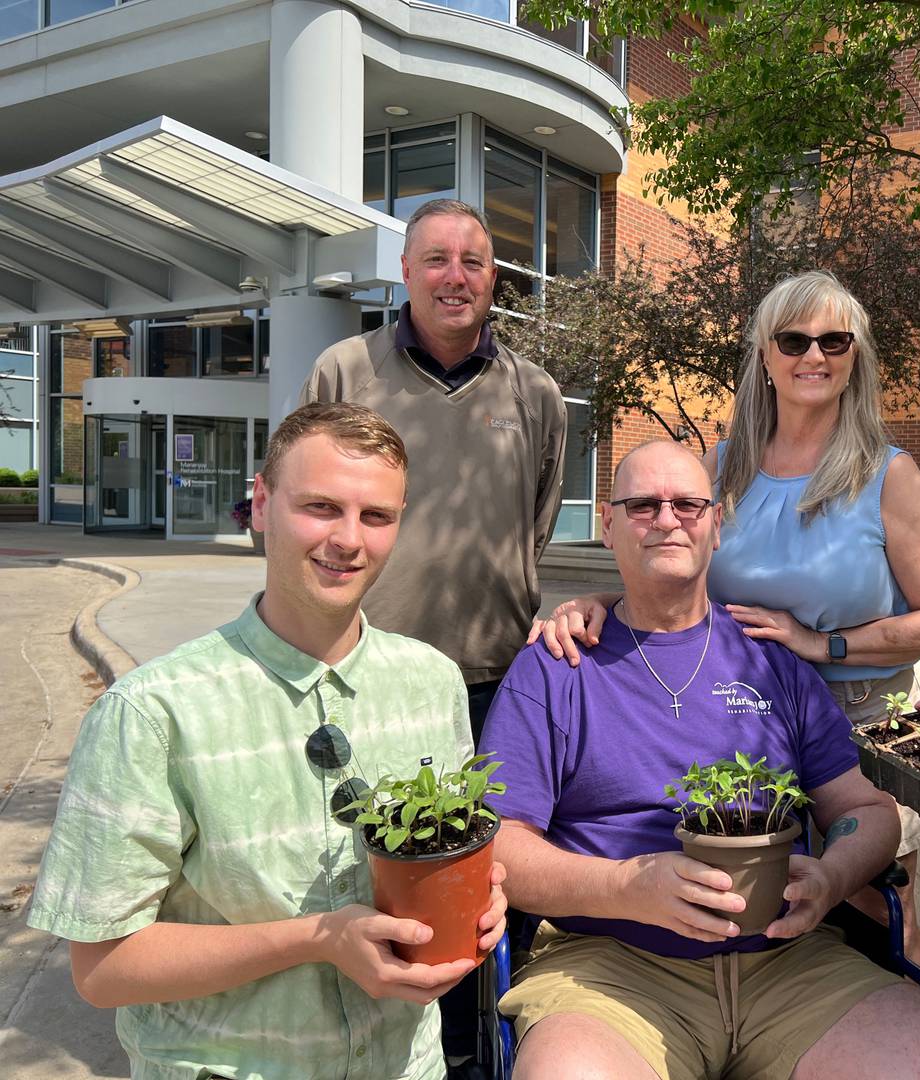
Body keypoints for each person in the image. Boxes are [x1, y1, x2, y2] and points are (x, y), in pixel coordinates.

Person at [480, 439, 920, 1080]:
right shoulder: (556, 665)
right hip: (609, 967)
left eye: (688, 505)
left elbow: (864, 810)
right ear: (609, 524)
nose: (667, 520)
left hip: (788, 962)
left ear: (716, 526)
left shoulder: (771, 658)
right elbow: (501, 847)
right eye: (643, 505)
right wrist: (626, 887)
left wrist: (832, 878)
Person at [26, 402, 508, 1080]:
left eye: (376, 516)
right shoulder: (156, 710)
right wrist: (316, 941)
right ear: (261, 502)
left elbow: (451, 850)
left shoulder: (431, 682)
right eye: (320, 507)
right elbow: (103, 969)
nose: (349, 539)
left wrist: (483, 898)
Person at [533, 270, 920, 965]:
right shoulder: (725, 465)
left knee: (874, 909)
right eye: (793, 340)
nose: (814, 356)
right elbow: (679, 565)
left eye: (834, 340)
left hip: (865, 720)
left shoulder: (887, 475)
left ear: (855, 356)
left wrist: (819, 643)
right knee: (754, 913)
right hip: (746, 720)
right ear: (764, 354)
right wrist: (603, 605)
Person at [302, 198, 565, 1072]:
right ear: (405, 273)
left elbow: (534, 525)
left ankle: (482, 1053)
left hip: (498, 689)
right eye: (438, 259)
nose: (457, 276)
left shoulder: (534, 395)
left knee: (496, 898)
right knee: (375, 887)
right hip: (371, 683)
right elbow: (311, 514)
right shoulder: (347, 369)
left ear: (495, 280)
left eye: (476, 262)